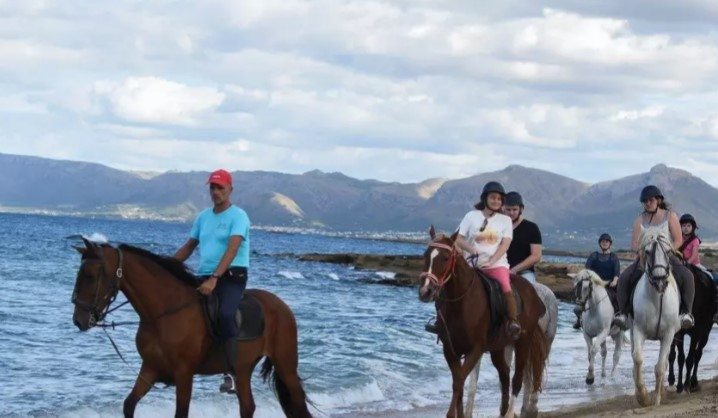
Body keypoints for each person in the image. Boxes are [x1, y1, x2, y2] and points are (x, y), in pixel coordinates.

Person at [173, 169, 251, 394]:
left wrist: (216, 278)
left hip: (232, 276)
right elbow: (189, 246)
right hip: (204, 275)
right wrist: (164, 265)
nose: (216, 192)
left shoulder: (239, 216)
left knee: (225, 314)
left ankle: (232, 373)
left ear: (230, 190)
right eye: (212, 188)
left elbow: (233, 248)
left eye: (220, 188)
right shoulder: (203, 217)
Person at [613, 185, 695, 330]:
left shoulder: (670, 216)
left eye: (650, 200)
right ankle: (623, 314)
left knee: (687, 276)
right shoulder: (640, 219)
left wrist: (666, 250)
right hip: (647, 255)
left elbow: (678, 240)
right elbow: (634, 244)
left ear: (658, 200)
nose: (647, 203)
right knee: (625, 277)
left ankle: (686, 313)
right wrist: (642, 252)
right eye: (645, 201)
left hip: (667, 255)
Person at [454, 181, 520, 339]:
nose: (496, 201)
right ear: (485, 199)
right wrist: (472, 250)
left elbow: (505, 243)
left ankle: (512, 321)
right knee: (451, 285)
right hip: (471, 264)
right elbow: (458, 238)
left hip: (496, 264)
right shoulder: (471, 216)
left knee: (505, 285)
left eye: (499, 199)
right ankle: (442, 320)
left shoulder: (505, 220)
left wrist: (493, 260)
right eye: (493, 198)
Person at [573, 233, 620, 329]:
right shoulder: (594, 256)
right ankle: (579, 318)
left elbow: (616, 272)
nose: (605, 243)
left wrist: (615, 281)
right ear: (600, 243)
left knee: (617, 299)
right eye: (603, 241)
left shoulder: (613, 257)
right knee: (581, 297)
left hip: (609, 285)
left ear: (610, 244)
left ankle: (619, 318)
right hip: (594, 285)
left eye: (607, 241)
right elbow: (587, 270)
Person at [679, 214, 718, 324]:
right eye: (683, 225)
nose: (686, 228)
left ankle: (715, 306)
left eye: (688, 225)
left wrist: (688, 263)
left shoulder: (695, 240)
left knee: (711, 277)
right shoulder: (678, 239)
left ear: (693, 228)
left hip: (694, 264)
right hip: (679, 264)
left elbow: (694, 254)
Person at [503, 191, 542, 284]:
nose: (511, 213)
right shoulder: (498, 227)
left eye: (515, 209)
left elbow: (536, 256)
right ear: (503, 209)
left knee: (527, 291)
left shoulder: (532, 228)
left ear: (521, 209)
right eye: (508, 210)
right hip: (500, 269)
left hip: (524, 273)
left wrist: (514, 270)